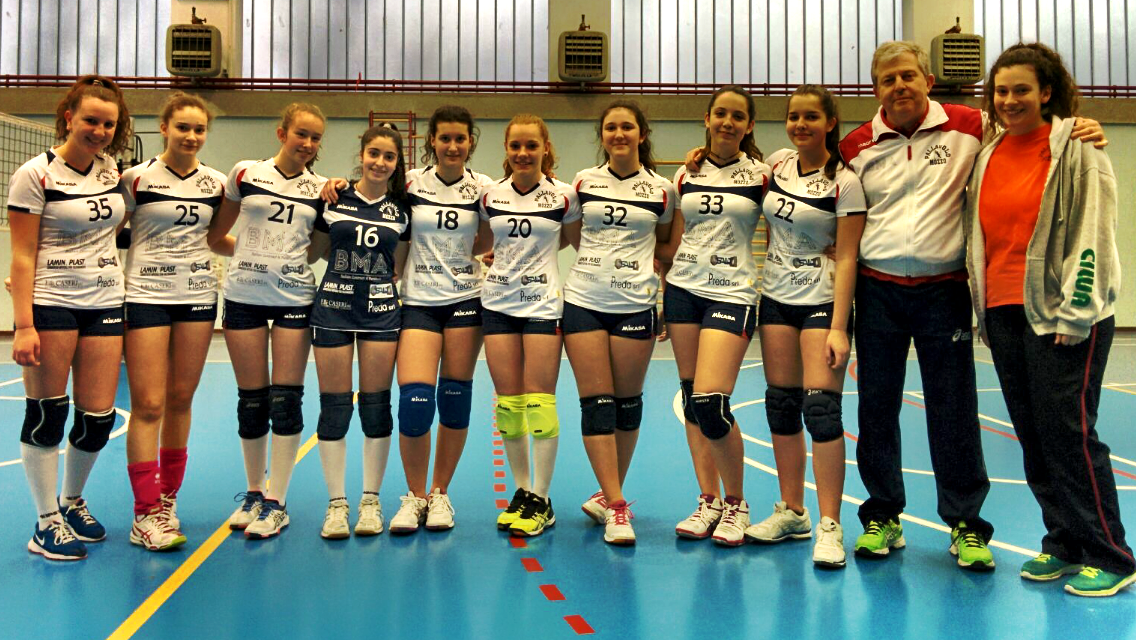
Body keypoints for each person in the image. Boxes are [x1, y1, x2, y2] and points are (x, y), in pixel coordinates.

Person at [839, 40, 1105, 570]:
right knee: (875, 407)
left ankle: (966, 524)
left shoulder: (973, 126)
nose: (900, 86)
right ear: (875, 89)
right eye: (888, 79)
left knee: (953, 409)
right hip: (878, 290)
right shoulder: (856, 145)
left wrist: (1081, 125)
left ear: (928, 79)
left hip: (943, 291)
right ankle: (882, 515)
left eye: (908, 76)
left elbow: (1032, 126)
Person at [965, 42, 1134, 597]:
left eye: (1022, 90)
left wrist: (1077, 310)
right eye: (1001, 90)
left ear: (1046, 93)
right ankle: (1063, 541)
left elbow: (1093, 233)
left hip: (1063, 315)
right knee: (1033, 436)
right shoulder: (989, 153)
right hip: (1004, 312)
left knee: (1069, 434)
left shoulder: (1079, 151)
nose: (1009, 100)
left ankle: (1110, 554)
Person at [740, 85, 865, 569]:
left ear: (830, 123)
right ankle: (792, 511)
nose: (800, 125)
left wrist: (839, 326)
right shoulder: (776, 165)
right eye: (794, 116)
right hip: (776, 299)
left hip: (820, 302)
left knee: (821, 410)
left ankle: (831, 524)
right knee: (781, 405)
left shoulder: (845, 183)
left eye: (811, 117)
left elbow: (848, 255)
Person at [8, 75, 131, 560]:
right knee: (47, 413)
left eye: (108, 124)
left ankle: (71, 501)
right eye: (90, 121)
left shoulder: (111, 170)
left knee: (97, 418)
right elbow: (22, 254)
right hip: (52, 303)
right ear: (68, 118)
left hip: (104, 302)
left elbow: (114, 225)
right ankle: (44, 524)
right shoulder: (35, 174)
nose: (99, 131)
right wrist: (23, 324)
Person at [207, 103, 328, 540]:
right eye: (301, 134)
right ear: (282, 132)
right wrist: (248, 255)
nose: (308, 144)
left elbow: (314, 252)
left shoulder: (321, 190)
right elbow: (215, 236)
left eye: (315, 138)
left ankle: (277, 501)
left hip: (294, 298)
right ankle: (254, 493)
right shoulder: (245, 173)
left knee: (285, 399)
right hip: (244, 297)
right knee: (252, 400)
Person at [660, 86, 771, 547]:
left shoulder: (763, 174)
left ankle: (736, 504)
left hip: (732, 293)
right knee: (692, 399)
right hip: (683, 290)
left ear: (749, 125)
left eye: (737, 116)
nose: (727, 122)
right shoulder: (686, 174)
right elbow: (675, 238)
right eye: (720, 113)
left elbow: (796, 217)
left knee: (711, 402)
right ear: (707, 118)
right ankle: (708, 500)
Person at [563, 100, 675, 545]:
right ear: (602, 135)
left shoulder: (662, 190)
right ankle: (616, 504)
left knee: (627, 405)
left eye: (627, 126)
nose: (619, 134)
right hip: (585, 300)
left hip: (635, 304)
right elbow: (573, 235)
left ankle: (609, 495)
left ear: (641, 134)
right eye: (611, 127)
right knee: (597, 404)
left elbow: (666, 246)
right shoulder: (583, 182)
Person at [119, 92, 226, 551]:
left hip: (198, 296)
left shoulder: (217, 183)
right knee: (147, 404)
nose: (191, 136)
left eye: (199, 129)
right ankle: (144, 513)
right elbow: (104, 231)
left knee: (181, 399)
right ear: (164, 128)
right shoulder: (135, 179)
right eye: (183, 127)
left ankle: (166, 500)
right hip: (146, 296)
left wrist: (271, 255)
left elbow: (219, 238)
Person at [389, 106, 494, 533]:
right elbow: (369, 192)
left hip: (466, 300)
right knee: (415, 400)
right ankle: (414, 496)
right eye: (445, 138)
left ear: (471, 142)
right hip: (419, 301)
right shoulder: (411, 182)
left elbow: (488, 238)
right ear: (432, 140)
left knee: (454, 398)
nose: (453, 146)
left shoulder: (484, 188)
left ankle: (439, 494)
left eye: (460, 139)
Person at [479, 114, 581, 537]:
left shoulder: (564, 195)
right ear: (506, 149)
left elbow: (577, 241)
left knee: (540, 404)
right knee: (509, 407)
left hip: (542, 306)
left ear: (545, 148)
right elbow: (482, 242)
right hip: (497, 305)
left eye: (531, 146)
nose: (523, 153)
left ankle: (542, 497)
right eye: (515, 146)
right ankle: (522, 491)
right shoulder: (490, 195)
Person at [309, 123, 409, 539]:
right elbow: (314, 251)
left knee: (375, 407)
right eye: (374, 153)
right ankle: (336, 503)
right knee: (334, 408)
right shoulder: (334, 199)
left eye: (389, 156)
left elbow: (400, 265)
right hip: (333, 310)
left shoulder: (402, 211)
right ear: (362, 154)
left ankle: (371, 500)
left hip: (380, 313)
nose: (380, 162)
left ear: (397, 162)